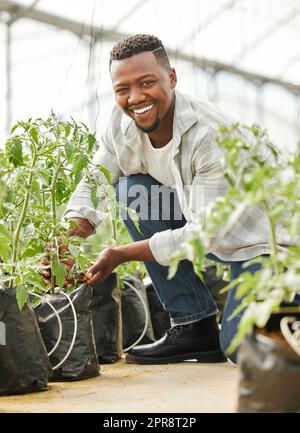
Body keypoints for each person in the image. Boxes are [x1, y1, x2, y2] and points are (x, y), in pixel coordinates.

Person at [62, 34, 280, 365]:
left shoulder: (210, 135)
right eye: (123, 89)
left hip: (269, 247)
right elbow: (96, 183)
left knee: (242, 348)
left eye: (147, 83)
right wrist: (66, 243)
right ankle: (193, 324)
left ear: (172, 78)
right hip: (221, 240)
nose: (135, 98)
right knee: (132, 190)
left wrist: (120, 254)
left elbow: (203, 234)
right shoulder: (121, 124)